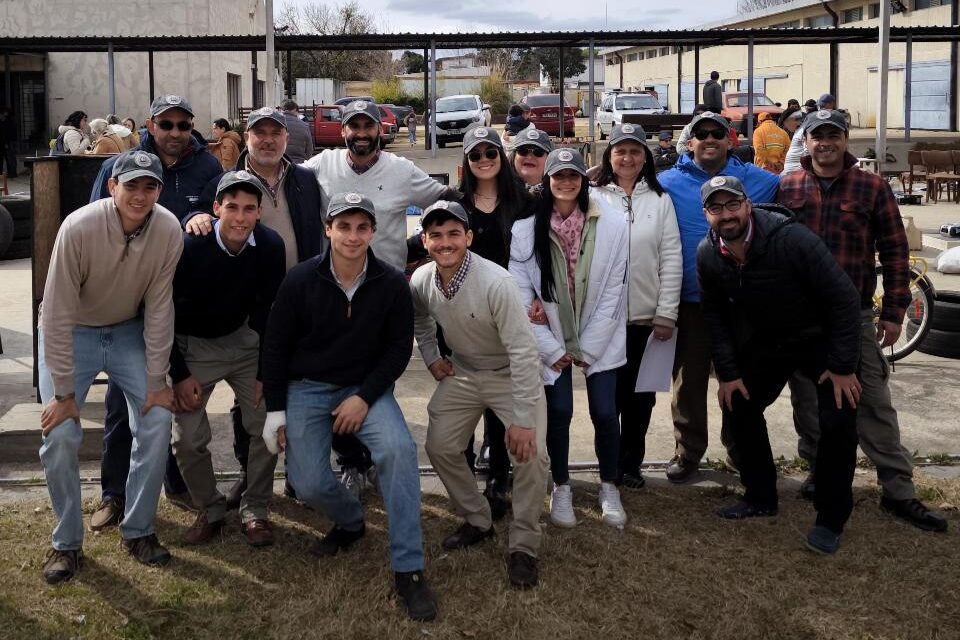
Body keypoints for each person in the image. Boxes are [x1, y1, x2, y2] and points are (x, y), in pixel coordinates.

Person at [261, 192, 437, 622]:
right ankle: (351, 520)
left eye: (362, 227)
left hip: (365, 387)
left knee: (398, 451)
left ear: (373, 232)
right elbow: (277, 345)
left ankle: (409, 568)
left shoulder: (392, 282)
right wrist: (276, 410)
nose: (353, 236)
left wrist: (363, 397)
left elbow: (398, 350)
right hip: (307, 387)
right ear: (328, 229)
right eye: (344, 226)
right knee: (307, 483)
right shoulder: (301, 279)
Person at [778, 109, 948, 533]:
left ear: (845, 140)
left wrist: (894, 312)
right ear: (808, 141)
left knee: (871, 400)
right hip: (801, 316)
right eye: (817, 136)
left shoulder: (872, 187)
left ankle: (899, 490)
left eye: (833, 135)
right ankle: (819, 471)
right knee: (808, 400)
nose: (825, 143)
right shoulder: (788, 187)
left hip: (852, 316)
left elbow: (893, 252)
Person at [696, 175, 863, 555]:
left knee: (839, 416)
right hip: (770, 340)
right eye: (716, 208)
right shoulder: (707, 254)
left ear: (748, 205)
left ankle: (830, 518)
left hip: (820, 337)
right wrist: (728, 373)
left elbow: (845, 300)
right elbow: (716, 317)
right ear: (706, 214)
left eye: (733, 204)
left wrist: (841, 365)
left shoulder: (791, 239)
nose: (727, 214)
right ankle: (760, 497)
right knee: (737, 400)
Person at [38, 150, 182, 584]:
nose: (140, 195)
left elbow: (159, 308)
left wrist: (158, 381)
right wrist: (63, 395)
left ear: (159, 191)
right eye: (131, 185)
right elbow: (58, 311)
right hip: (72, 330)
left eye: (149, 186)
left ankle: (138, 530)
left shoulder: (168, 229)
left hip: (125, 331)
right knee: (61, 432)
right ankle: (66, 542)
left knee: (157, 417)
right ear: (111, 186)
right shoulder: (79, 227)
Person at [181, 106, 337, 506]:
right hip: (246, 310)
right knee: (248, 400)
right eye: (259, 133)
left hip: (297, 303)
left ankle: (298, 477)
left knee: (292, 389)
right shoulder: (226, 181)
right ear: (246, 137)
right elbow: (206, 213)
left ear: (287, 138)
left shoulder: (304, 179)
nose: (268, 140)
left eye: (275, 133)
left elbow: (318, 235)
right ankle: (246, 480)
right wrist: (195, 216)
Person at [88, 94, 225, 531]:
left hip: (179, 299)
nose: (175, 134)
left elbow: (216, 205)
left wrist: (203, 214)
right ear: (151, 124)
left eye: (183, 126)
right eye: (166, 125)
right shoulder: (120, 165)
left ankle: (175, 483)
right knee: (121, 402)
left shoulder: (208, 166)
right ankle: (113, 493)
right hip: (128, 302)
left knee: (163, 399)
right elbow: (95, 220)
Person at [411, 200, 549, 589]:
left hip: (510, 373)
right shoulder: (421, 279)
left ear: (468, 237)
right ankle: (478, 519)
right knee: (439, 445)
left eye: (454, 233)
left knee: (532, 455)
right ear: (425, 240)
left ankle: (523, 544)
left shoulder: (496, 282)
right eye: (435, 235)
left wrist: (521, 421)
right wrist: (432, 356)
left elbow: (524, 353)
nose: (445, 242)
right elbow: (419, 317)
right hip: (464, 373)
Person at [407, 126, 532, 518]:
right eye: (475, 155)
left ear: (501, 156)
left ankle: (498, 472)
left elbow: (542, 251)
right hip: (456, 309)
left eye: (490, 153)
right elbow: (420, 243)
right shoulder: (455, 203)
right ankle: (462, 468)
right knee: (460, 395)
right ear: (466, 162)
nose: (483, 161)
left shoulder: (523, 202)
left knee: (500, 400)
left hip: (505, 301)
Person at [510, 148, 629, 528]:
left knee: (606, 413)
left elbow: (615, 293)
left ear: (584, 179)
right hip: (551, 339)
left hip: (600, 334)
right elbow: (519, 297)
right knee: (559, 413)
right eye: (558, 176)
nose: (565, 183)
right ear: (546, 181)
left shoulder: (614, 224)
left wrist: (587, 347)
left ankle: (610, 484)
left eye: (572, 176)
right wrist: (553, 349)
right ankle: (561, 487)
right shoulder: (525, 230)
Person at [658, 111, 779, 483]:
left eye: (717, 133)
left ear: (731, 140)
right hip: (691, 302)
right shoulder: (666, 182)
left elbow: (796, 191)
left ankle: (740, 448)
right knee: (688, 382)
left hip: (742, 303)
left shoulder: (762, 182)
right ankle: (688, 451)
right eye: (701, 133)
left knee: (739, 380)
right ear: (689, 141)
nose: (709, 138)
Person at [169, 171, 286, 548]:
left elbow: (270, 310)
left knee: (265, 426)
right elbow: (162, 313)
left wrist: (265, 372)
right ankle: (210, 508)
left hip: (244, 341)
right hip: (194, 345)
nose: (239, 217)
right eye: (231, 207)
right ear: (216, 208)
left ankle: (256, 508)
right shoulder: (189, 246)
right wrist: (180, 372)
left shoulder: (269, 245)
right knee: (186, 437)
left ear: (259, 213)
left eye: (249, 208)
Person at [590, 124, 682, 489]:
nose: (627, 158)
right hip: (604, 321)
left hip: (647, 320)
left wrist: (667, 313)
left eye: (634, 151)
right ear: (609, 156)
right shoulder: (593, 196)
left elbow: (671, 259)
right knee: (606, 401)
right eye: (620, 151)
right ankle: (607, 465)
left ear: (645, 157)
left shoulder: (661, 201)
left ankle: (631, 465)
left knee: (640, 401)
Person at [304, 99, 454, 273]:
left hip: (387, 285)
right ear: (343, 131)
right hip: (333, 284)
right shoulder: (323, 163)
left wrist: (422, 242)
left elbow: (445, 202)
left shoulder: (402, 170)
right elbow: (287, 178)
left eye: (368, 126)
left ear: (380, 130)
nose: (361, 133)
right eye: (354, 126)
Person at [279, 99, 314, 164]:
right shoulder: (304, 125)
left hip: (279, 164)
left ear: (281, 109)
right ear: (295, 109)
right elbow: (309, 149)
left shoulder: (276, 124)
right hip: (299, 164)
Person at [0, 106, 18, 178]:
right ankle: (11, 173)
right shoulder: (8, 121)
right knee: (10, 158)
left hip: (9, 142)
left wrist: (6, 143)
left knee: (10, 158)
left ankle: (12, 173)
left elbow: (7, 134)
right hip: (8, 142)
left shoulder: (8, 122)